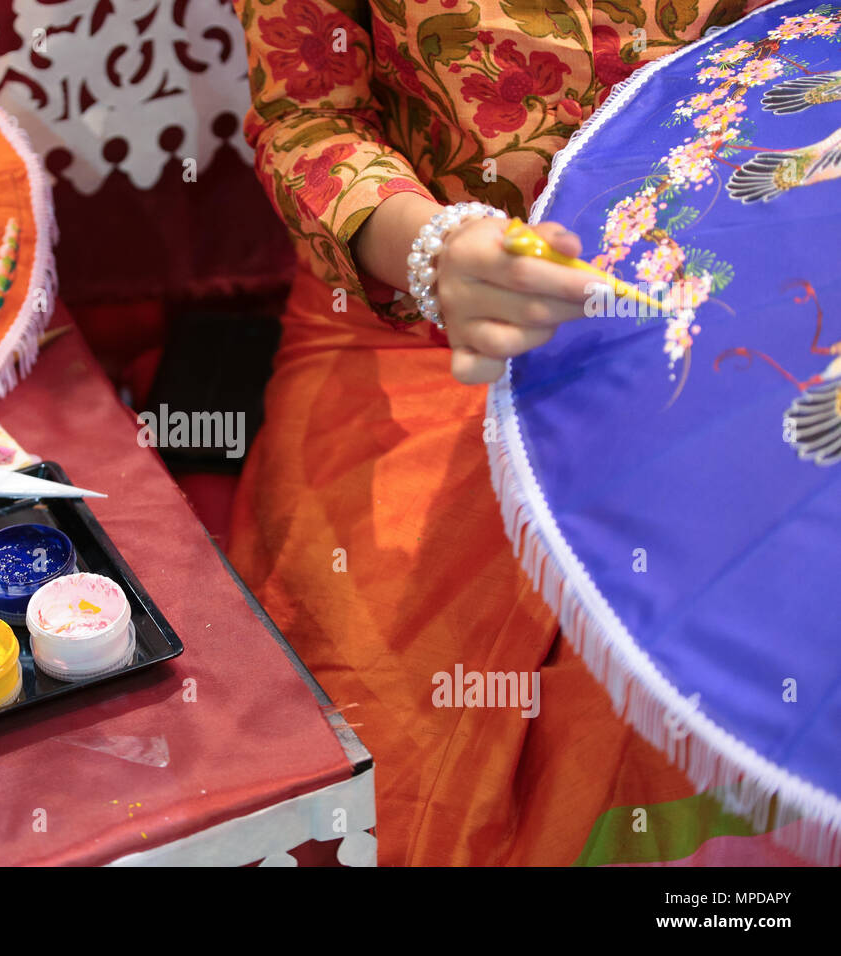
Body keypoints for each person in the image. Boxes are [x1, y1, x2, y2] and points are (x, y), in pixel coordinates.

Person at [229, 0, 786, 864]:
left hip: (732, 300)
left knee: (728, 676)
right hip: (413, 329)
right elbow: (309, 120)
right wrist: (435, 254)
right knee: (396, 755)